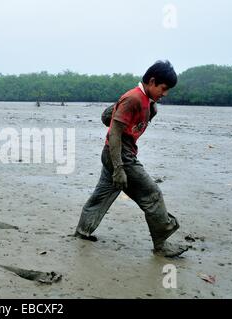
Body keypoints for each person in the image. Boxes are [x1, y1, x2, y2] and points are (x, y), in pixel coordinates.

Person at [74, 60, 189, 258]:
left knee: (102, 194)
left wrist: (136, 109)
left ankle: (82, 231)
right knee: (152, 195)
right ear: (152, 81)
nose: (165, 94)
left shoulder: (147, 103)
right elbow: (114, 134)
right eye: (163, 88)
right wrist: (119, 168)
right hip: (120, 155)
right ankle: (161, 245)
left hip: (115, 154)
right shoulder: (133, 99)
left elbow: (106, 117)